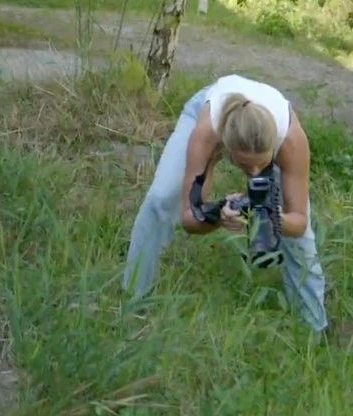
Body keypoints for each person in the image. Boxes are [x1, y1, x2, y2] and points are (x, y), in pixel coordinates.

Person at [121, 74, 328, 333]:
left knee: (301, 242)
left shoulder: (291, 141)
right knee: (159, 200)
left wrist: (273, 217)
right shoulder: (207, 134)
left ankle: (313, 332)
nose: (253, 174)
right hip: (207, 109)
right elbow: (189, 218)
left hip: (271, 129)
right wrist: (219, 215)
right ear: (226, 149)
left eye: (261, 165)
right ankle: (132, 305)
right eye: (243, 165)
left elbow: (298, 221)